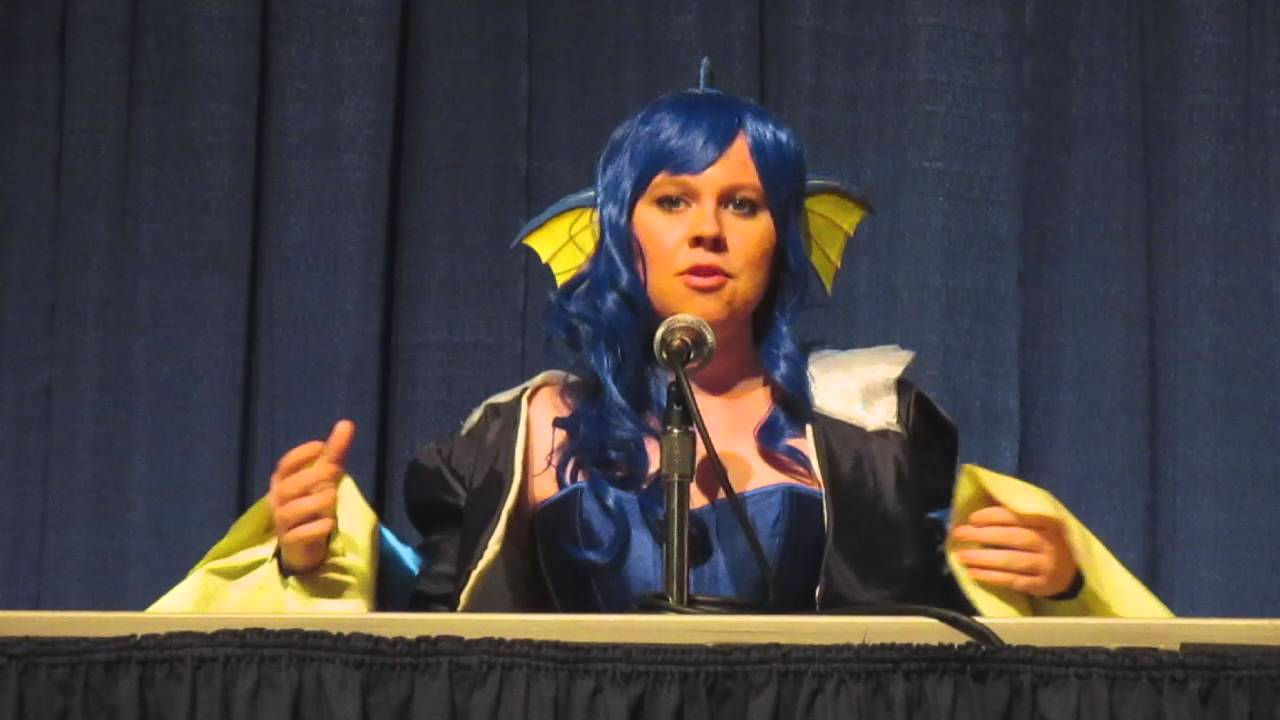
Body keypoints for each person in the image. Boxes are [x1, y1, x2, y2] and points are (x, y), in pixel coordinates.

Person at [265, 89, 1097, 614]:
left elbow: (949, 644)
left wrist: (1061, 588)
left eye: (743, 203)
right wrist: (308, 562)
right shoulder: (519, 435)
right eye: (672, 200)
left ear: (782, 239)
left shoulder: (870, 426)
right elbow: (434, 639)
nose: (707, 230)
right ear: (617, 232)